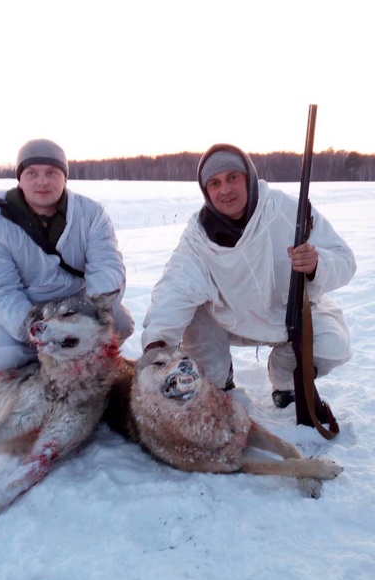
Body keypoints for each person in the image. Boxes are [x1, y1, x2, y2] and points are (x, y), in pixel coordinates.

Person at [140, 143, 355, 425]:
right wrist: (157, 343)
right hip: (228, 317)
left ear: (249, 178)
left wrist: (317, 265)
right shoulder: (198, 236)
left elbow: (345, 262)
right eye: (214, 183)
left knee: (333, 345)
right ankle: (218, 376)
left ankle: (285, 379)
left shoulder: (290, 211)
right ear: (206, 191)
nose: (224, 190)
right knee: (197, 328)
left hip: (288, 317)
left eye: (232, 178)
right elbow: (175, 288)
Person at [0, 138, 134, 374]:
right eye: (32, 173)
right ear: (20, 178)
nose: (42, 181)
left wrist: (87, 314)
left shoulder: (91, 214)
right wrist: (33, 325)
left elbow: (108, 267)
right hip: (25, 311)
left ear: (65, 177)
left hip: (75, 306)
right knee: (3, 357)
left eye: (52, 172)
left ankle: (79, 364)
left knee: (120, 324)